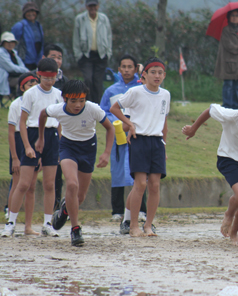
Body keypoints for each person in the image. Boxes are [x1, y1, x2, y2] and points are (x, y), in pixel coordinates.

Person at [182, 88, 238, 246]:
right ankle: (229, 214)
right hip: (228, 157)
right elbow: (210, 109)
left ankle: (234, 233)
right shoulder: (230, 115)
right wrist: (193, 129)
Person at [40, 80, 113, 246]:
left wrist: (106, 153)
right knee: (72, 185)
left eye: (81, 100)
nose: (78, 105)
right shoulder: (57, 109)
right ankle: (75, 229)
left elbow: (110, 128)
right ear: (65, 99)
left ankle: (64, 210)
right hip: (68, 147)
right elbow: (42, 115)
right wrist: (41, 137)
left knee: (79, 197)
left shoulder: (93, 109)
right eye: (73, 101)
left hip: (88, 148)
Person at [110, 57, 170, 237]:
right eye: (153, 72)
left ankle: (149, 225)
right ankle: (133, 225)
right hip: (139, 140)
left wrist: (165, 146)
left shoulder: (165, 94)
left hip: (157, 142)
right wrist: (130, 123)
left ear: (164, 75)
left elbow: (164, 122)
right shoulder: (135, 92)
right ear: (144, 74)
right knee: (140, 184)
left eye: (160, 73)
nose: (157, 76)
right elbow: (114, 108)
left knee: (155, 185)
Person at [7, 58, 62, 237]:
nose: (49, 82)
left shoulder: (58, 94)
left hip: (51, 136)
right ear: (39, 76)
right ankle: (11, 222)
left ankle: (47, 223)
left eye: (52, 78)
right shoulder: (31, 94)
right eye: (46, 79)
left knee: (49, 183)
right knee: (23, 184)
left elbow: (60, 122)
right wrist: (27, 146)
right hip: (32, 135)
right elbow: (22, 123)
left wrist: (60, 144)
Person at [99, 54, 147, 225]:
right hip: (118, 136)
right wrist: (116, 124)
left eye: (130, 67)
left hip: (138, 135)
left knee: (140, 172)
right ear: (119, 69)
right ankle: (117, 210)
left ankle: (142, 210)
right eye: (123, 67)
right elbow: (103, 112)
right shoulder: (110, 91)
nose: (127, 70)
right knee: (118, 171)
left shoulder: (142, 87)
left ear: (136, 69)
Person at [1, 72, 39, 237]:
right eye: (29, 84)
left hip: (33, 139)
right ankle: (11, 222)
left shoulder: (39, 103)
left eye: (35, 84)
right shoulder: (17, 104)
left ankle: (28, 226)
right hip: (19, 142)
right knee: (18, 184)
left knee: (31, 186)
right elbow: (11, 133)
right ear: (22, 87)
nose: (33, 87)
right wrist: (15, 157)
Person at [41, 44, 68, 211]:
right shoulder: (34, 82)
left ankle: (55, 208)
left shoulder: (64, 85)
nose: (56, 60)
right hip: (36, 130)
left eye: (59, 57)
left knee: (56, 173)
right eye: (53, 57)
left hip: (56, 131)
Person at [73, 0, 112, 103]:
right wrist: (78, 55)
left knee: (98, 82)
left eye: (94, 5)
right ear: (86, 6)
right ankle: (88, 103)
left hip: (101, 54)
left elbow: (109, 36)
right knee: (88, 80)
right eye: (90, 6)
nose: (92, 8)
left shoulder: (103, 19)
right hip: (86, 55)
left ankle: (99, 105)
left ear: (98, 6)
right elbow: (76, 39)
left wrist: (108, 53)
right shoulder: (80, 19)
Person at [214, 9, 238, 109]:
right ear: (229, 18)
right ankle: (227, 105)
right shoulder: (226, 30)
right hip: (228, 64)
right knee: (228, 86)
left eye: (237, 16)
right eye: (233, 15)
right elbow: (229, 46)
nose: (235, 17)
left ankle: (235, 105)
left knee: (236, 87)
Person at [11, 2, 44, 70]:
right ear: (24, 14)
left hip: (37, 60)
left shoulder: (38, 25)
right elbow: (12, 43)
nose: (31, 13)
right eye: (28, 11)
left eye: (33, 11)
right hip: (24, 60)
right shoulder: (19, 26)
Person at [0, 32, 30, 106]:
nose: (10, 44)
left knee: (27, 80)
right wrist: (26, 71)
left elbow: (21, 65)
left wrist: (26, 72)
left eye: (12, 42)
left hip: (14, 77)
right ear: (3, 43)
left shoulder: (14, 53)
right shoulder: (1, 53)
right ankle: (18, 104)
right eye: (8, 42)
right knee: (22, 81)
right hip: (5, 78)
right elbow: (10, 67)